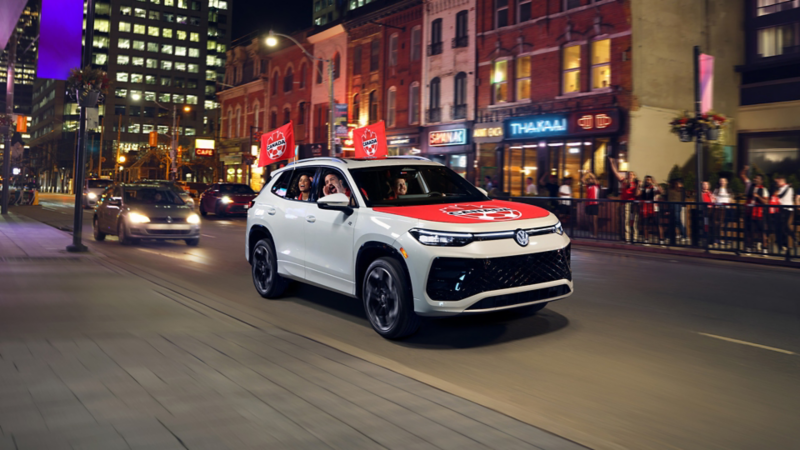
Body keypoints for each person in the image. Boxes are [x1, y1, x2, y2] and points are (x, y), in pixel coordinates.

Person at [608, 156, 640, 243]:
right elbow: (616, 173)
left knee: (634, 221)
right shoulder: (624, 182)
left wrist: (638, 186)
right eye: (629, 175)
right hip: (625, 203)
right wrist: (612, 163)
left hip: (634, 204)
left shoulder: (635, 184)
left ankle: (635, 237)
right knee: (626, 220)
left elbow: (638, 194)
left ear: (634, 176)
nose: (630, 176)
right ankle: (628, 238)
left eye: (632, 175)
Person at [740, 165, 769, 254]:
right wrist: (744, 169)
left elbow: (766, 202)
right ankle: (749, 247)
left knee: (762, 231)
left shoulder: (764, 189)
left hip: (759, 213)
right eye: (755, 178)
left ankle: (765, 248)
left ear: (761, 181)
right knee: (749, 230)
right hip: (749, 212)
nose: (755, 179)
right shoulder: (749, 185)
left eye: (757, 178)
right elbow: (742, 176)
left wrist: (758, 197)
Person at [772, 174, 794, 252]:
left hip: (786, 209)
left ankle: (793, 239)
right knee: (781, 227)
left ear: (782, 180)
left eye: (778, 180)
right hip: (781, 209)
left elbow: (781, 196)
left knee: (785, 226)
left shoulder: (788, 187)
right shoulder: (781, 188)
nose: (777, 182)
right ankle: (782, 245)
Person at [641, 176, 665, 244]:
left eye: (649, 180)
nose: (647, 181)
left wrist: (656, 183)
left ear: (651, 181)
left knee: (658, 225)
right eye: (646, 180)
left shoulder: (654, 188)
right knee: (645, 225)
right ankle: (646, 239)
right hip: (645, 209)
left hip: (654, 209)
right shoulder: (643, 189)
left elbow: (661, 191)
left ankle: (661, 240)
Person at [713, 178, 734, 246]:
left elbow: (732, 199)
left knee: (726, 225)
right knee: (718, 224)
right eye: (721, 181)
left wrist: (731, 202)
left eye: (724, 181)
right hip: (719, 209)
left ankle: (725, 239)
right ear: (719, 182)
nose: (722, 182)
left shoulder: (729, 190)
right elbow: (713, 199)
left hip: (727, 209)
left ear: (726, 182)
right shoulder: (717, 190)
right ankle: (717, 239)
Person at [584, 173, 600, 238]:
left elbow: (595, 179)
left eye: (591, 179)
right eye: (589, 179)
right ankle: (592, 233)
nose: (590, 180)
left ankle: (595, 234)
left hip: (594, 204)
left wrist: (590, 173)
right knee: (590, 220)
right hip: (588, 204)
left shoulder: (596, 185)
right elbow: (582, 179)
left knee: (594, 221)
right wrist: (586, 173)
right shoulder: (588, 186)